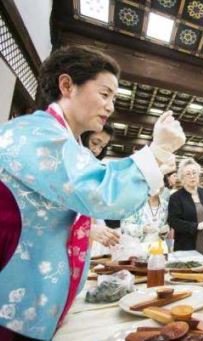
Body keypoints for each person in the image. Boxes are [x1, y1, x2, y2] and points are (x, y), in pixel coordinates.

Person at [0, 45, 185, 340]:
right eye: (105, 94)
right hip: (12, 302)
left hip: (36, 297)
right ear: (67, 85)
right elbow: (101, 192)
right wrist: (157, 150)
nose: (111, 106)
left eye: (114, 97)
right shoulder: (33, 133)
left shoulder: (66, 142)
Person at [81, 125, 120, 255]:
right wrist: (88, 228)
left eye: (102, 147)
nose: (97, 150)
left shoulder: (92, 169)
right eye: (95, 142)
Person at [168, 158, 203, 254]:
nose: (192, 176)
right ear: (182, 177)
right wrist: (196, 226)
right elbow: (174, 221)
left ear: (198, 175)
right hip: (186, 246)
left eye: (194, 173)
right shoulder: (176, 197)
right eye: (188, 174)